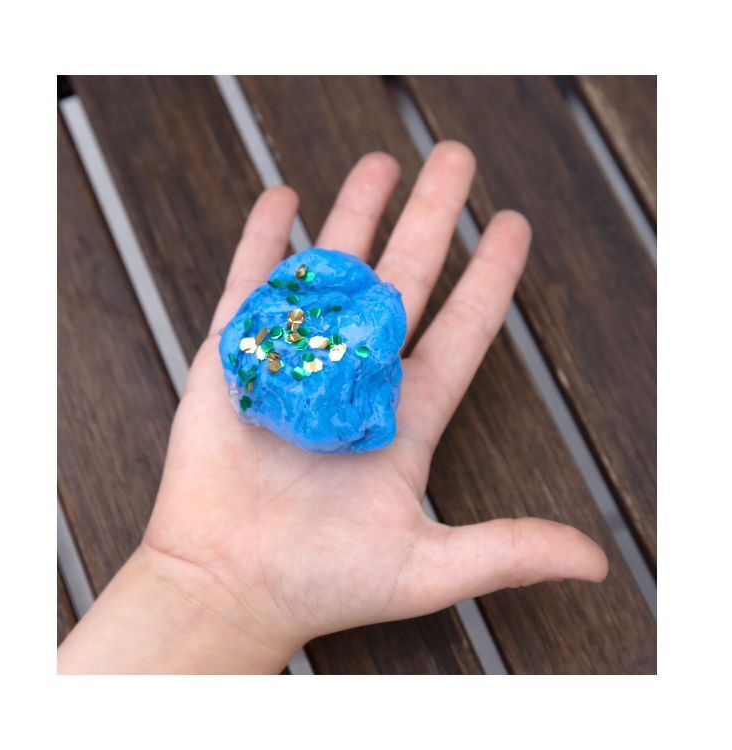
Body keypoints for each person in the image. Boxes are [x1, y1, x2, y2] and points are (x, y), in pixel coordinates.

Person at [57, 142, 608, 674]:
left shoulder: (341, 372)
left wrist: (201, 592)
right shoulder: (287, 357)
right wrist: (204, 589)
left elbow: (365, 398)